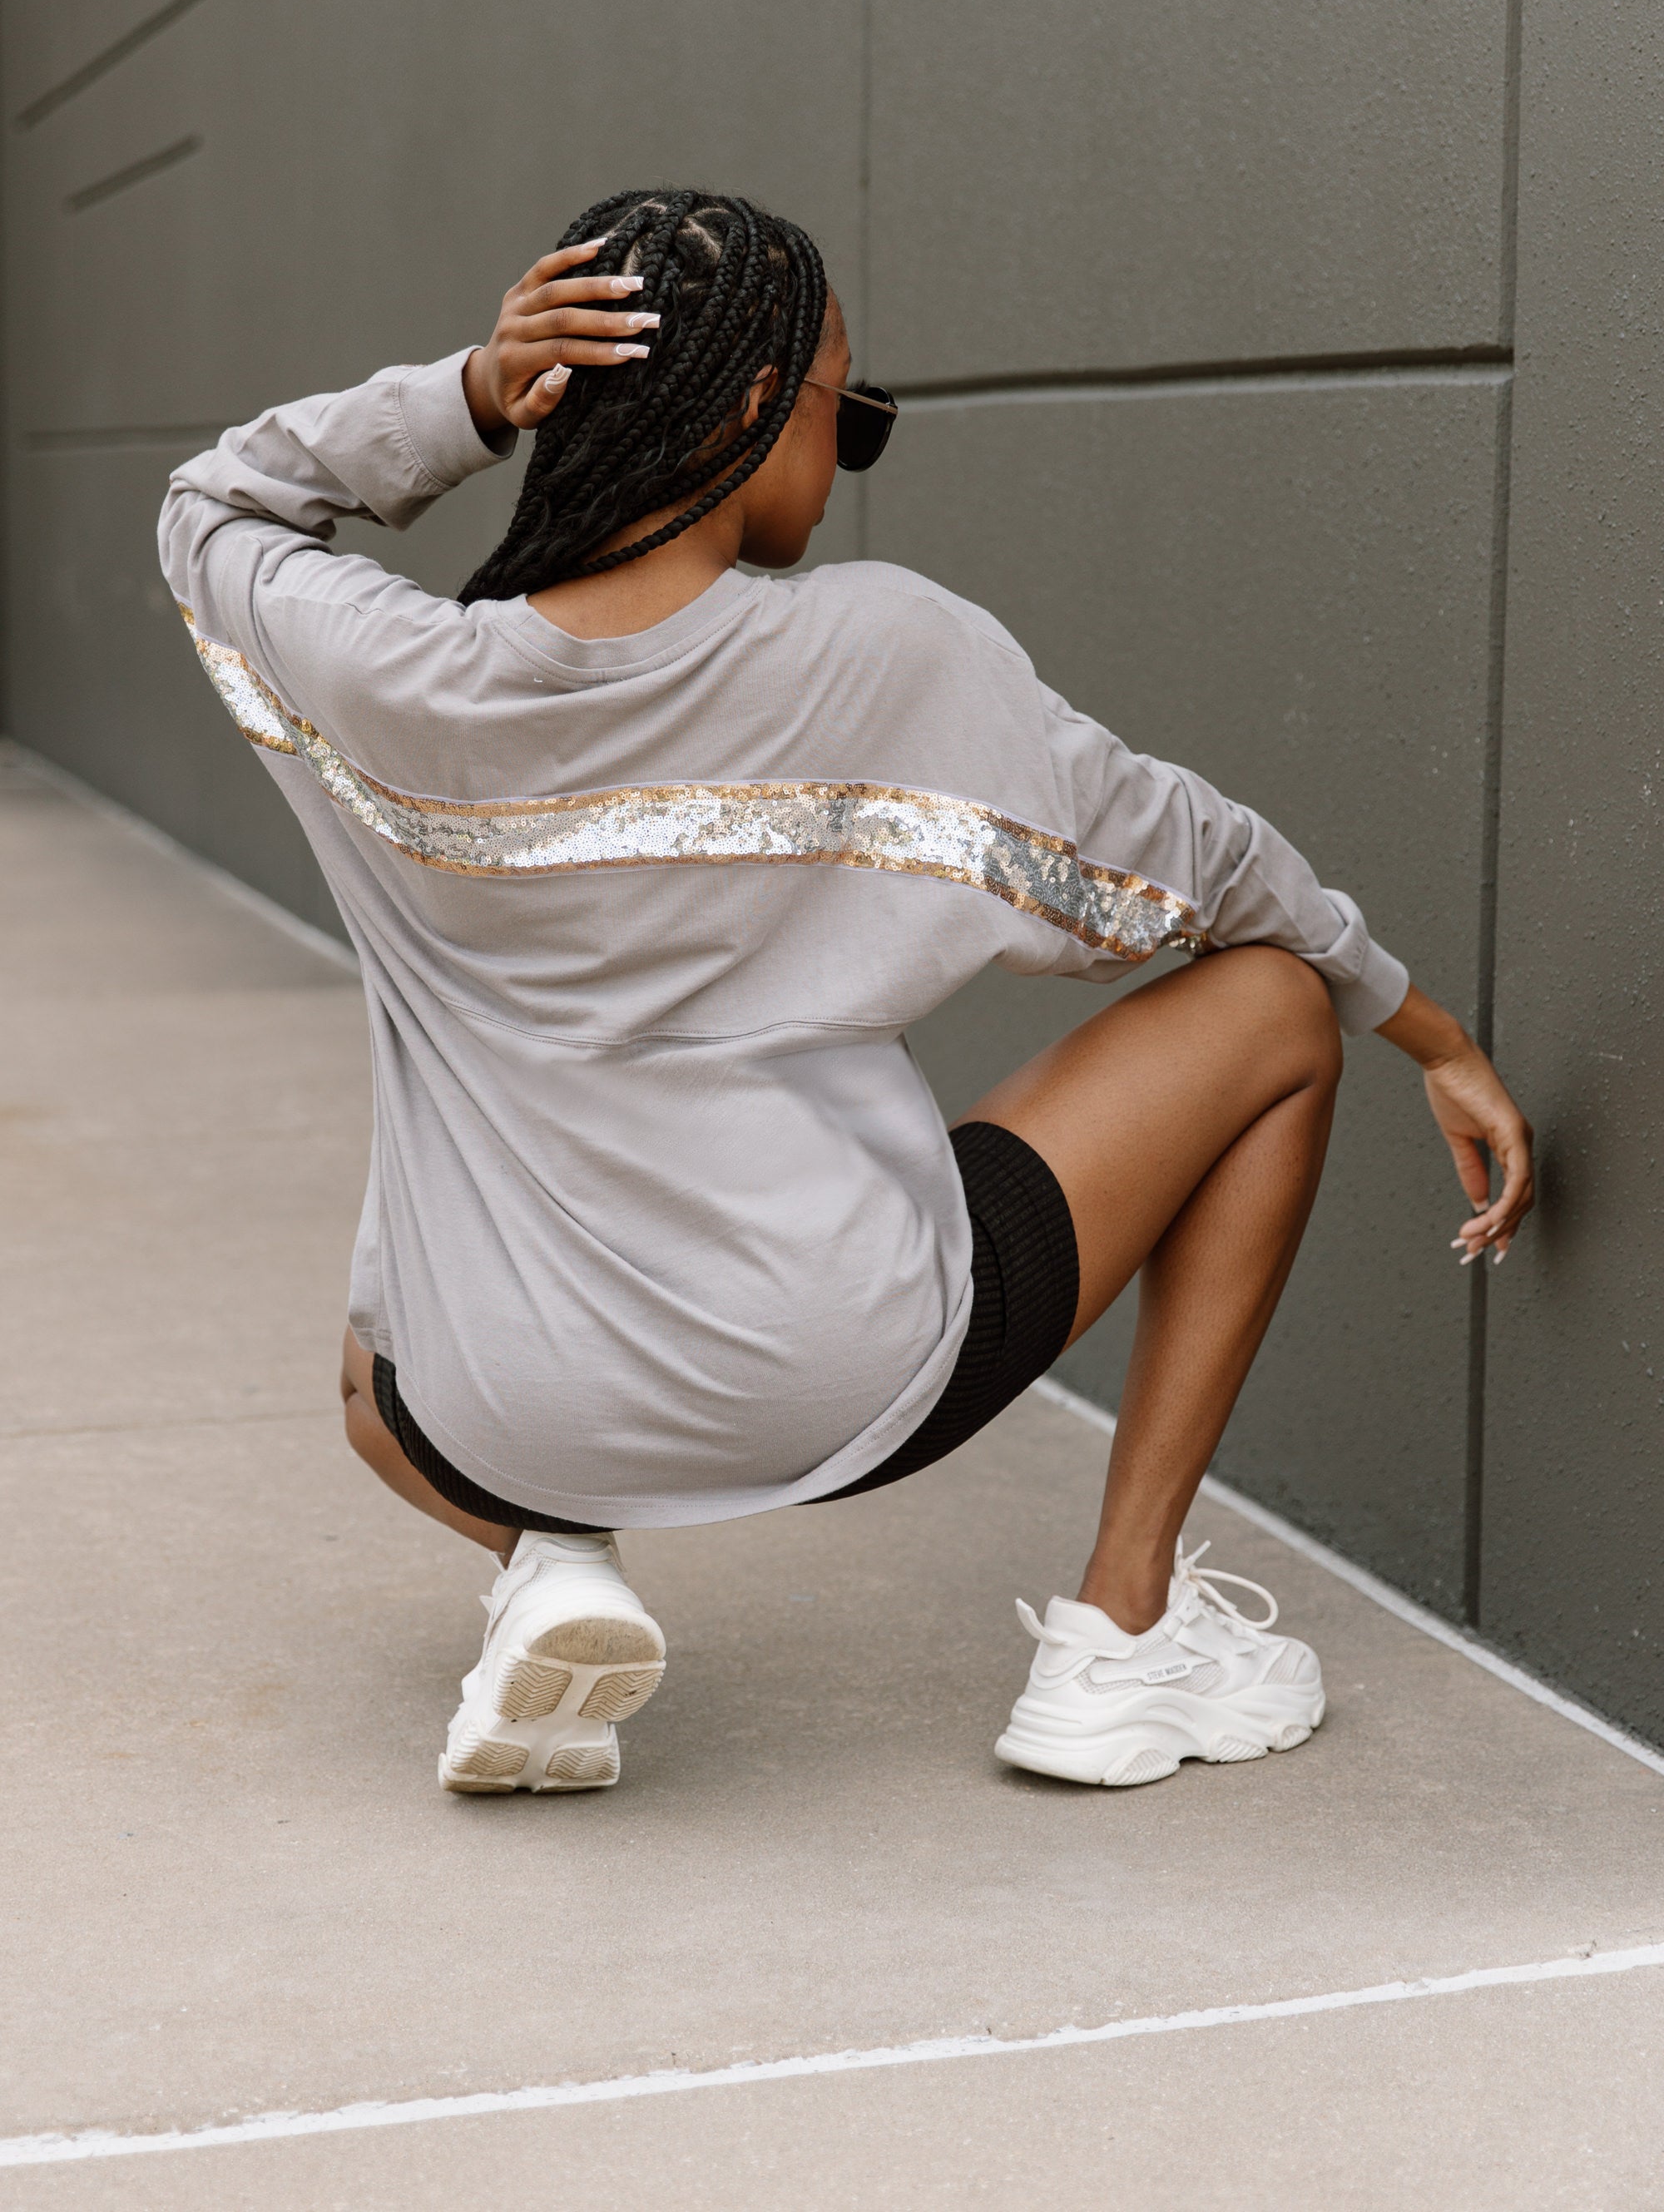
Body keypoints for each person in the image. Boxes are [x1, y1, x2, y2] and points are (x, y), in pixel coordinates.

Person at [158, 187, 1533, 1796]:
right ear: (757, 404)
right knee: (1279, 1008)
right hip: (851, 1371)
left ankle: (551, 1564)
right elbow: (1204, 868)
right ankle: (1125, 1636)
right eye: (849, 409)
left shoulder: (393, 674)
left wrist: (468, 392)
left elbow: (213, 506)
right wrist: (1428, 1031)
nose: (850, 445)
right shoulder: (890, 652)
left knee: (370, 1362)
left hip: (499, 1414)